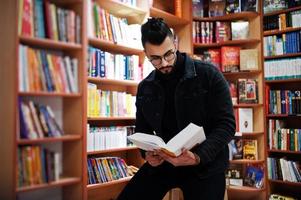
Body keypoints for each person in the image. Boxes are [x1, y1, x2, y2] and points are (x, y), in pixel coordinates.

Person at [117, 17, 235, 200]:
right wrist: (147, 155)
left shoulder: (209, 74)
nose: (164, 63)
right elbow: (142, 130)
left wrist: (197, 157)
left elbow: (227, 125)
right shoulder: (145, 87)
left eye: (168, 54)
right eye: (155, 58)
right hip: (165, 163)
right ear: (145, 54)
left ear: (175, 43)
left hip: (205, 164)